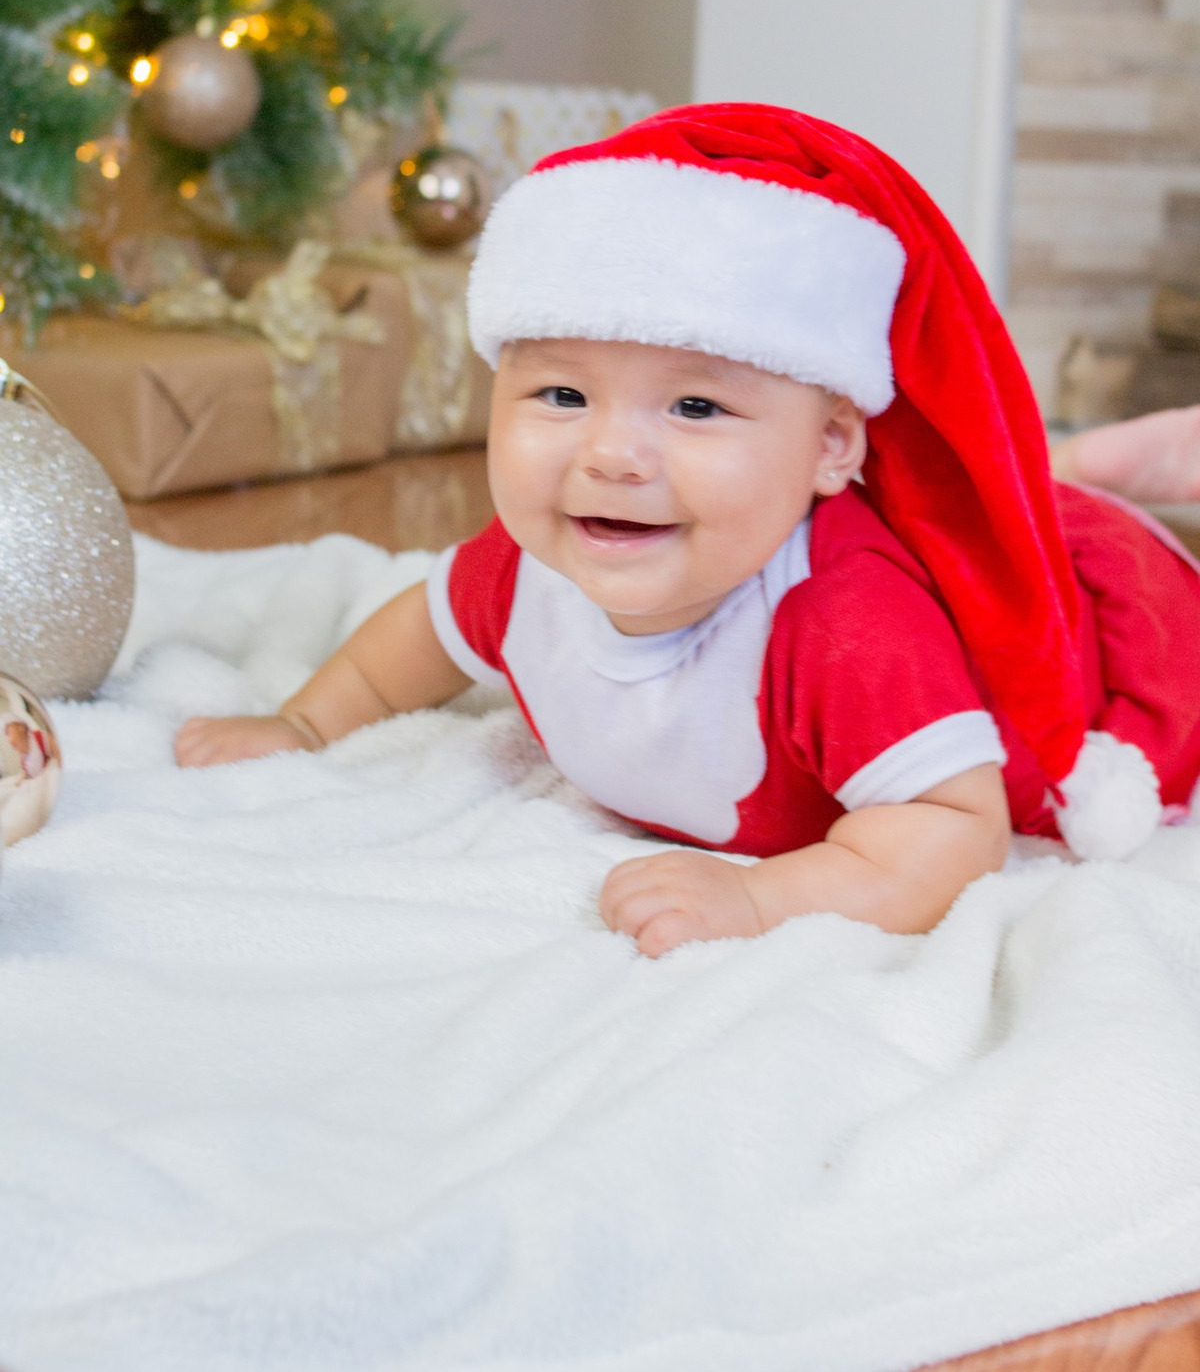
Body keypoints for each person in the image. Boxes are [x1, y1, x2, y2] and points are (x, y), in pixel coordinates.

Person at [176, 105, 1200, 956]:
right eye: (563, 392)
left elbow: (954, 827)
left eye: (696, 408)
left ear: (833, 445)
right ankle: (1097, 463)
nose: (613, 455)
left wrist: (760, 899)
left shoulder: (844, 628)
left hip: (1140, 619)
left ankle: (1108, 481)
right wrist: (306, 723)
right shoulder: (535, 565)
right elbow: (418, 635)